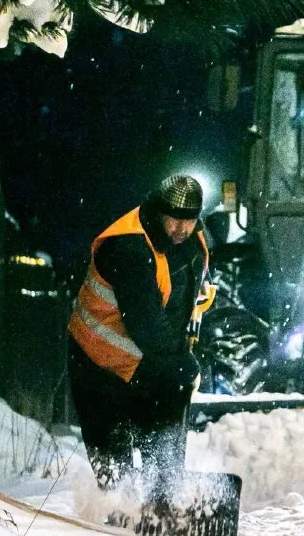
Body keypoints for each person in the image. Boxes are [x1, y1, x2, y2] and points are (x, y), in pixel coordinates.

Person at [67, 174, 215, 494]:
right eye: (173, 220)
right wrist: (184, 363)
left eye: (188, 221)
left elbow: (189, 290)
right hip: (97, 364)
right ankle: (118, 516)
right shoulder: (130, 248)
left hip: (141, 359)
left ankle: (163, 498)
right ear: (157, 212)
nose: (181, 229)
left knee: (161, 438)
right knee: (114, 467)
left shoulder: (192, 242)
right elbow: (148, 329)